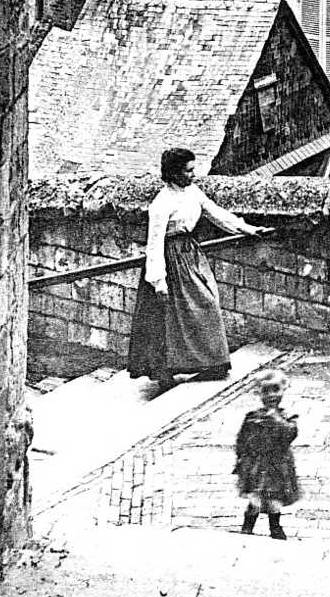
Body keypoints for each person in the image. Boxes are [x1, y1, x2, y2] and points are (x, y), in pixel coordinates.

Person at [127, 147, 265, 394]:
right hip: (171, 261)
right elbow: (154, 244)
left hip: (190, 254)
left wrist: (247, 229)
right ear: (174, 173)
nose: (194, 175)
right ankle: (165, 371)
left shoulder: (193, 192)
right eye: (188, 170)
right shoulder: (161, 204)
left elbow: (216, 214)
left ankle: (212, 363)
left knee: (206, 302)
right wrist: (159, 281)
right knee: (169, 317)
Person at [234, 371, 300, 540]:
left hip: (278, 466)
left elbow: (290, 434)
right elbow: (242, 440)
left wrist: (276, 419)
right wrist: (241, 460)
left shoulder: (287, 417)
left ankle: (275, 527)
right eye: (266, 391)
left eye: (275, 389)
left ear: (283, 390)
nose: (271, 395)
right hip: (257, 465)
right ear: (259, 393)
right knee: (255, 499)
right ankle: (247, 527)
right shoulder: (253, 417)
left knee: (274, 501)